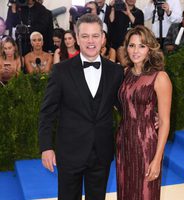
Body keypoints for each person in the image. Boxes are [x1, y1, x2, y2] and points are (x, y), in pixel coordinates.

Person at [39, 13, 124, 200]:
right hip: (69, 152)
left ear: (103, 38)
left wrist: (151, 116)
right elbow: (47, 112)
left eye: (95, 35)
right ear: (77, 38)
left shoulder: (116, 71)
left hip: (101, 152)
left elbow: (124, 106)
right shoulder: (61, 71)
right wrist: (46, 147)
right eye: (85, 36)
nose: (90, 41)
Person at [116, 25, 172, 200]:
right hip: (124, 142)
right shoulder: (124, 73)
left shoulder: (160, 77)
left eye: (141, 46)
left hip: (146, 144)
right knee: (125, 191)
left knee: (145, 193)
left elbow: (164, 121)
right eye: (132, 45)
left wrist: (157, 159)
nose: (135, 51)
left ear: (150, 49)